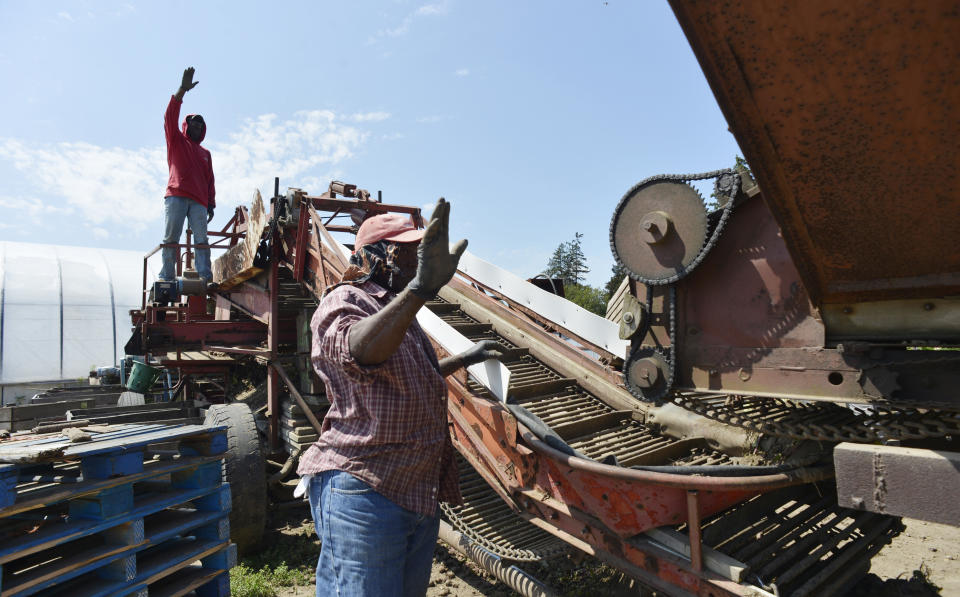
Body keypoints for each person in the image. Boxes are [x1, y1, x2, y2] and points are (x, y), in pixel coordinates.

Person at [296, 199, 505, 597]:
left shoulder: (400, 316)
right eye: (405, 252)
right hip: (364, 493)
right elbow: (357, 353)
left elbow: (404, 377)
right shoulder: (346, 300)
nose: (415, 261)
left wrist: (464, 358)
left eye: (417, 252)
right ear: (373, 256)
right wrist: (419, 289)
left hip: (413, 492)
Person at [160, 66, 215, 285]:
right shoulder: (175, 141)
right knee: (171, 238)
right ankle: (167, 276)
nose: (197, 125)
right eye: (193, 121)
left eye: (200, 123)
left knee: (201, 240)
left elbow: (209, 181)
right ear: (186, 125)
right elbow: (169, 115)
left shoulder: (205, 154)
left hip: (199, 202)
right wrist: (182, 89)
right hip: (176, 195)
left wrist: (211, 204)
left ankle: (205, 277)